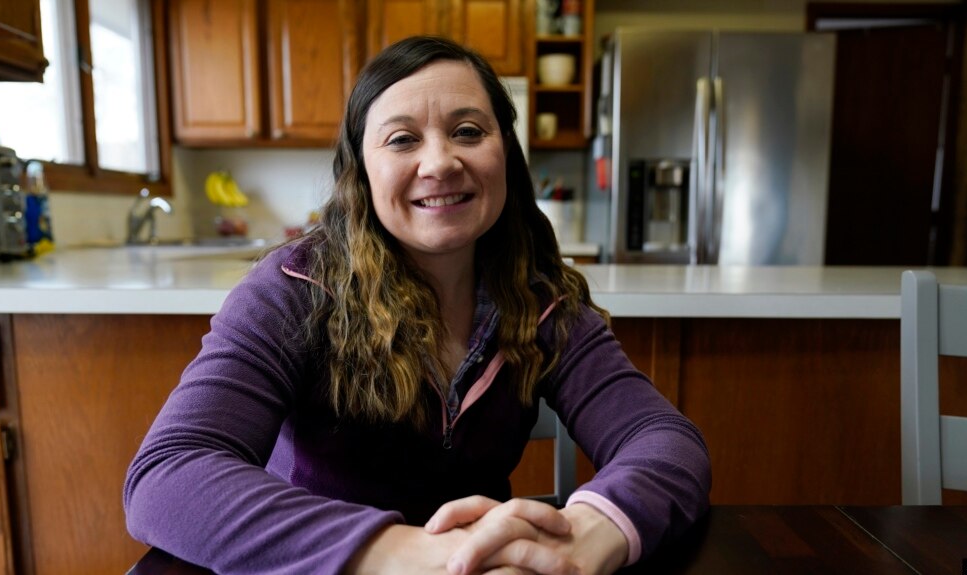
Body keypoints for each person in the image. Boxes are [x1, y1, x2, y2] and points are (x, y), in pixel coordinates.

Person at [124, 35, 711, 575]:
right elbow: (168, 474)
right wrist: (410, 553)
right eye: (402, 139)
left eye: (468, 131)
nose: (440, 163)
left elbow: (663, 439)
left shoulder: (541, 303)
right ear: (361, 170)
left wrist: (590, 531)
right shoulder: (291, 292)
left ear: (505, 151)